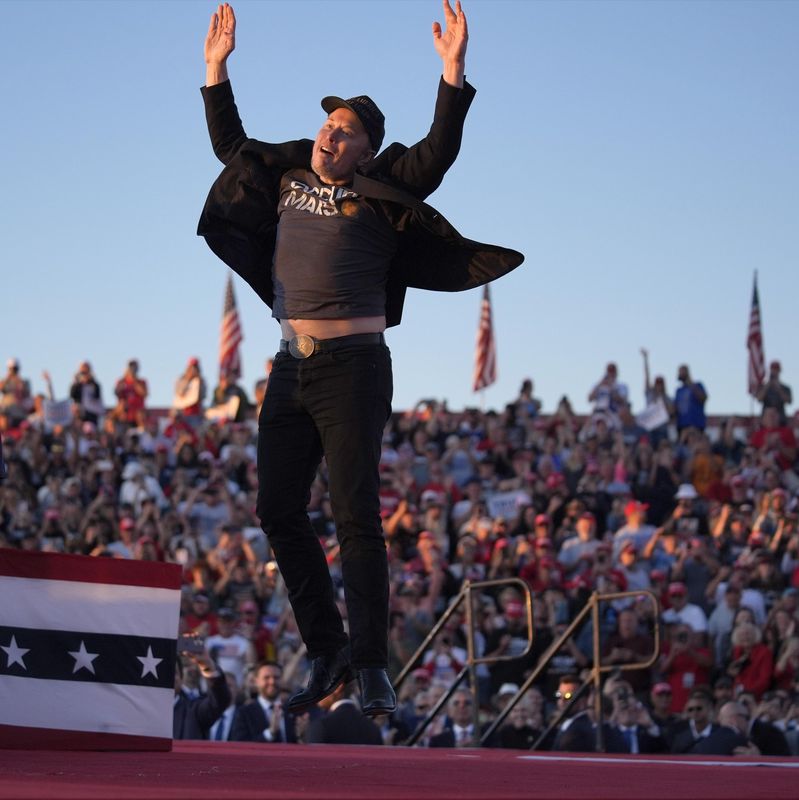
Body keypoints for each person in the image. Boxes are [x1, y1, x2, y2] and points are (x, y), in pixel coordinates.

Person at [198, 1, 522, 718]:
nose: (328, 132)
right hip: (289, 366)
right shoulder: (284, 178)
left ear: (366, 150)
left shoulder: (382, 190)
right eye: (326, 122)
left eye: (344, 130)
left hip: (353, 366)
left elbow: (436, 151)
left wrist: (452, 72)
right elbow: (232, 148)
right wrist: (217, 70)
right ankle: (328, 651)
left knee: (354, 514)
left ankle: (373, 666)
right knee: (277, 508)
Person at [229, 661, 295, 743]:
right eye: (266, 678)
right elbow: (241, 746)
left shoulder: (294, 711)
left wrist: (301, 736)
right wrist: (270, 733)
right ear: (256, 681)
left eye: (276, 677)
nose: (272, 682)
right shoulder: (244, 713)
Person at [756, 360, 792, 424]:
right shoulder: (763, 387)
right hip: (766, 420)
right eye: (773, 369)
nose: (774, 372)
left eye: (776, 370)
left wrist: (778, 388)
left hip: (781, 420)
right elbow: (759, 398)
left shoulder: (785, 388)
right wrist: (767, 385)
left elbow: (788, 401)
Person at [674, 365, 707, 434]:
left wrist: (690, 384)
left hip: (697, 424)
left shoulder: (698, 385)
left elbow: (703, 398)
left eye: (681, 371)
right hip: (682, 426)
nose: (679, 374)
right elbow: (675, 408)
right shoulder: (679, 391)